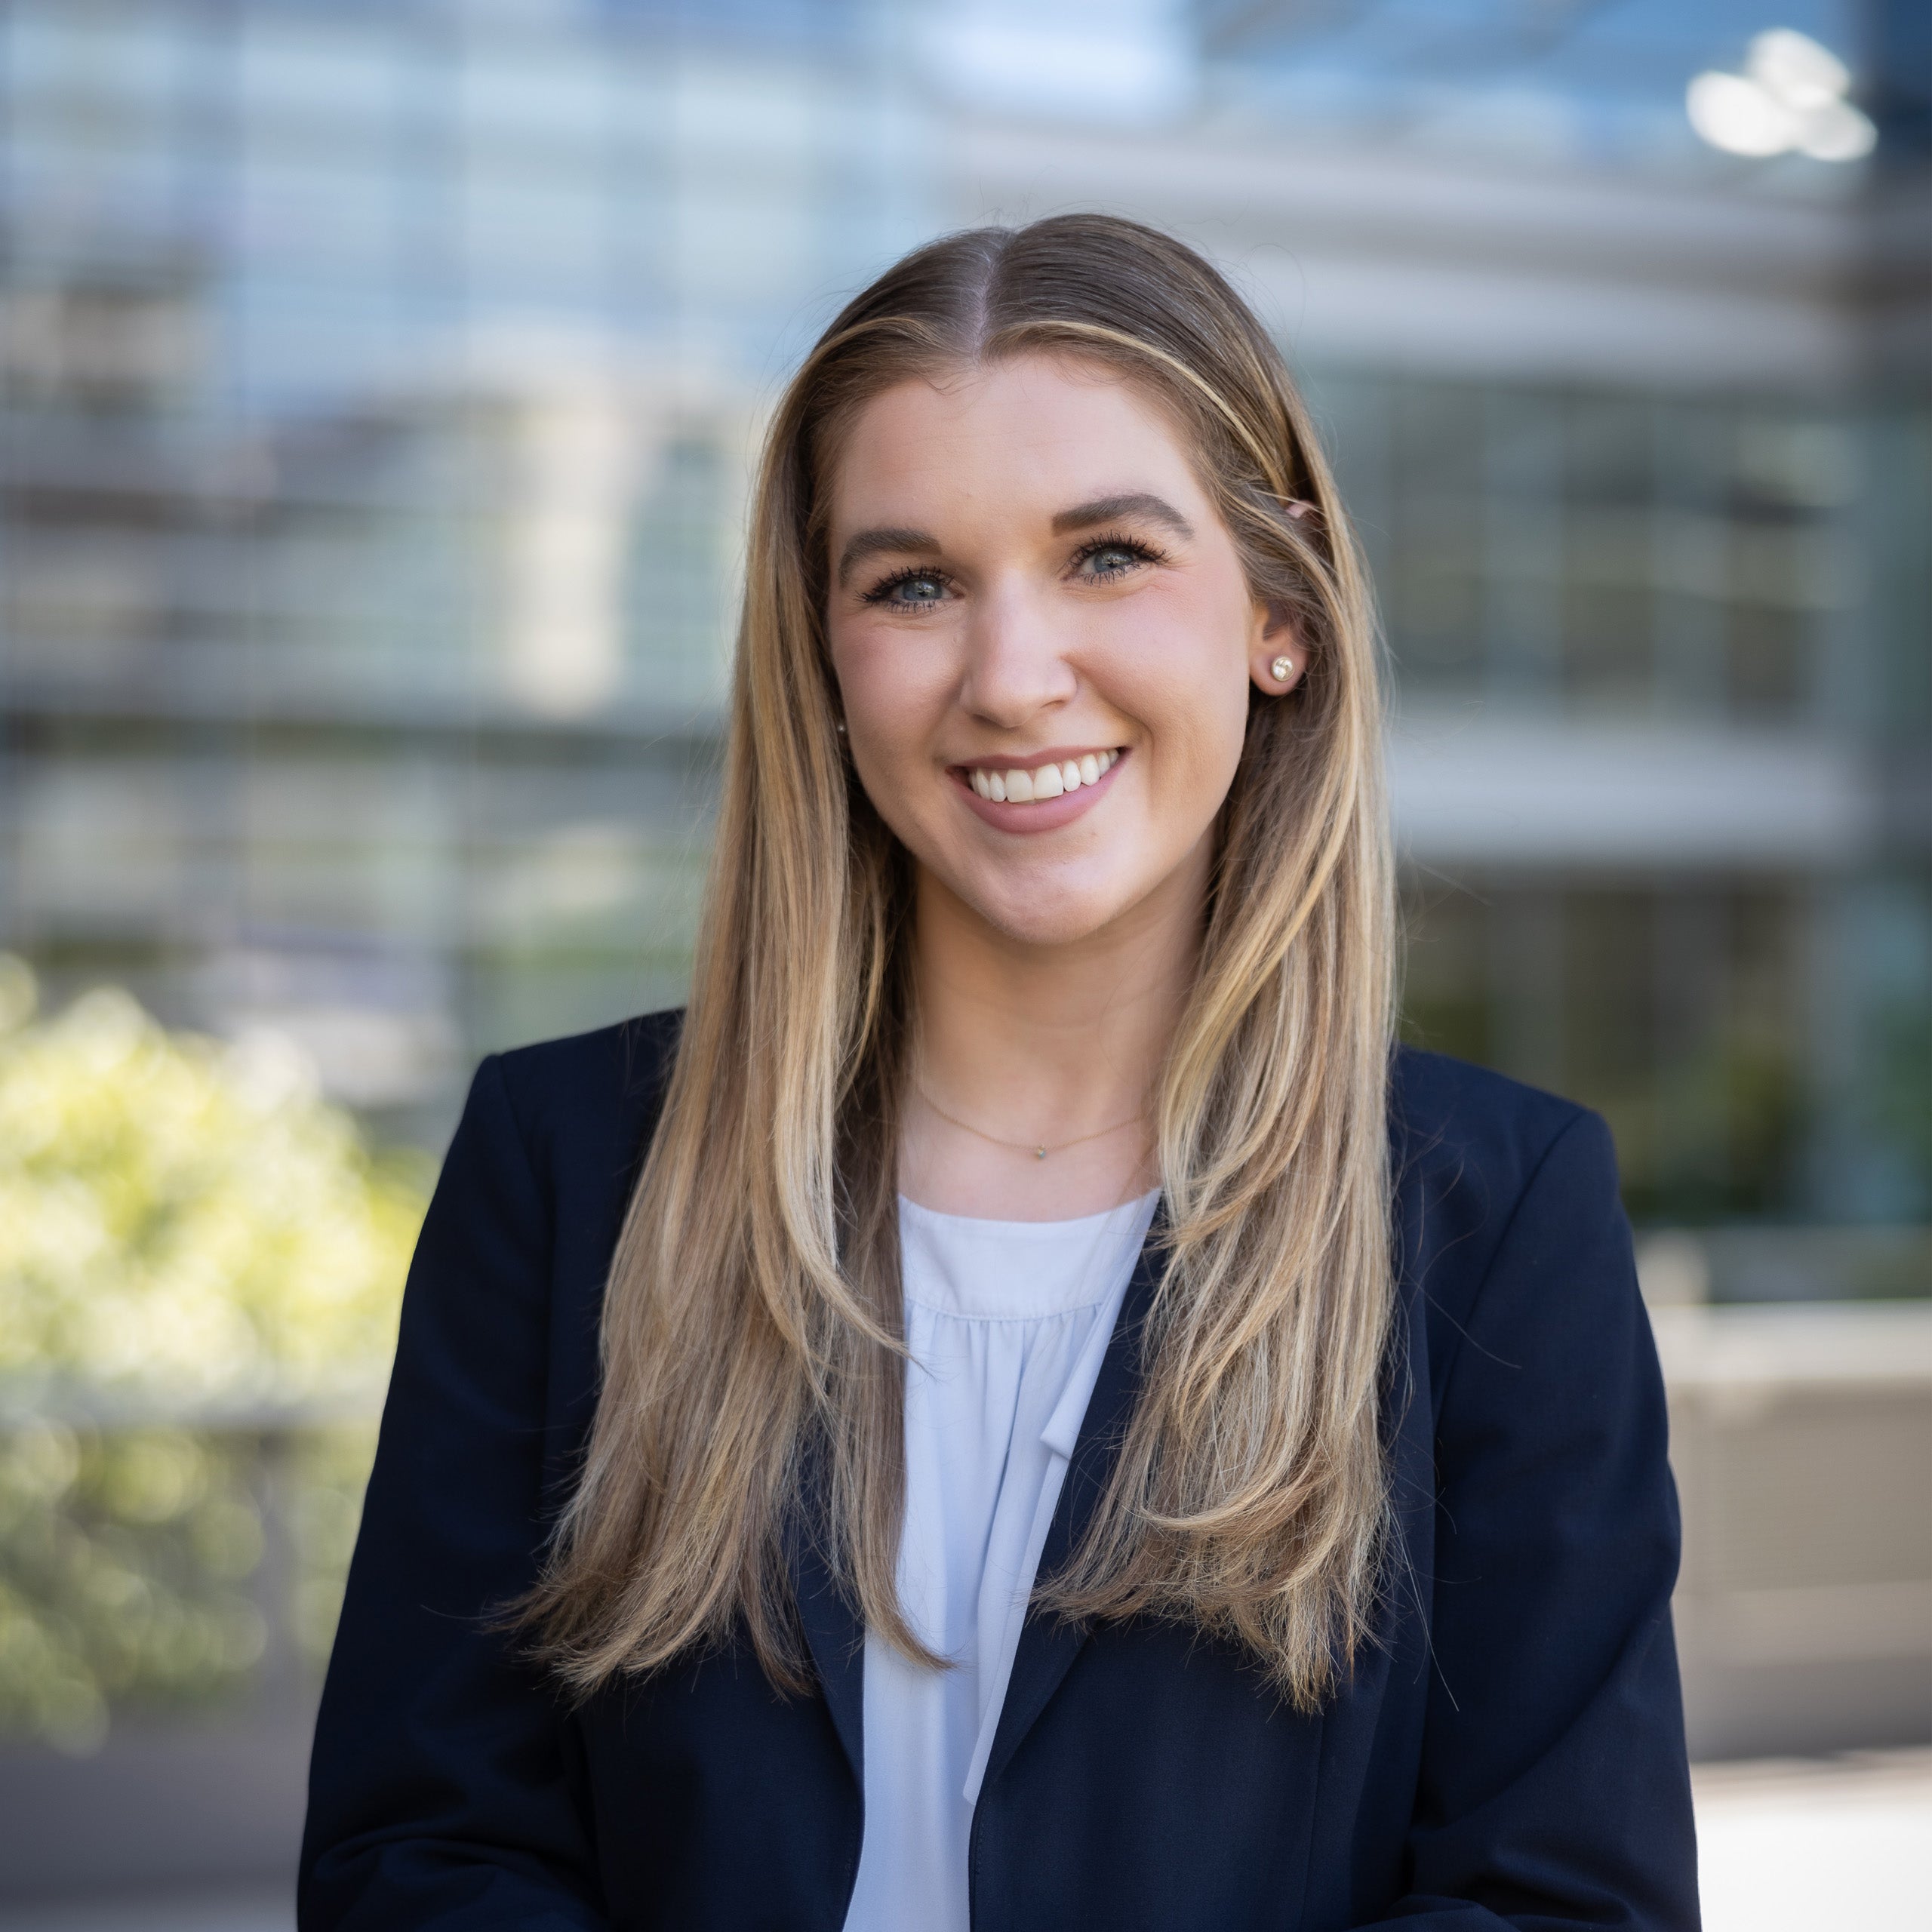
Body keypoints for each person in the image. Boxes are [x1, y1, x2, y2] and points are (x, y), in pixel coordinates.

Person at [300, 214, 1697, 1932]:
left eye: (1105, 555)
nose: (1010, 676)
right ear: (823, 660)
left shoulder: (1494, 1220)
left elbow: (1562, 1899)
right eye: (913, 583)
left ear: (1278, 612)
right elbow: (420, 1857)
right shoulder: (569, 1165)